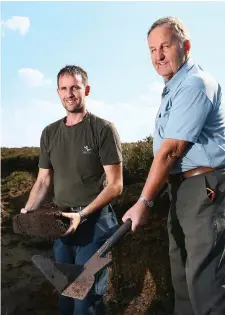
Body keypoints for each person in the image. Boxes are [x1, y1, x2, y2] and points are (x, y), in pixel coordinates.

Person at [122, 16, 225, 315]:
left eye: (165, 46)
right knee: (182, 282)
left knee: (206, 285)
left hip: (205, 191)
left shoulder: (195, 83)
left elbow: (171, 151)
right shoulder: (173, 88)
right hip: (181, 190)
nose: (158, 56)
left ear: (186, 46)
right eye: (152, 49)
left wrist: (143, 201)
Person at [21, 65, 123, 315]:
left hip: (95, 226)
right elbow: (44, 180)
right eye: (64, 89)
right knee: (66, 297)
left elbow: (116, 185)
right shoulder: (50, 133)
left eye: (75, 88)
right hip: (62, 226)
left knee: (85, 301)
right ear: (58, 93)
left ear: (86, 90)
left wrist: (83, 214)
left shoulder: (102, 130)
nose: (70, 94)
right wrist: (28, 210)